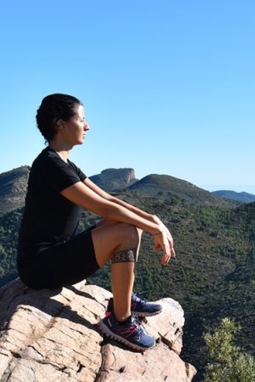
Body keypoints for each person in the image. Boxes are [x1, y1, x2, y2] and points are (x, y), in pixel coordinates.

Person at [17, 93, 175, 352]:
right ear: (60, 124)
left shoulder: (62, 162)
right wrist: (154, 227)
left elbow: (109, 199)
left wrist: (152, 219)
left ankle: (123, 301)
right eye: (81, 119)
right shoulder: (50, 165)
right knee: (126, 231)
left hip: (54, 256)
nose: (87, 126)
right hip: (40, 267)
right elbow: (102, 207)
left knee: (130, 225)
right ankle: (120, 322)